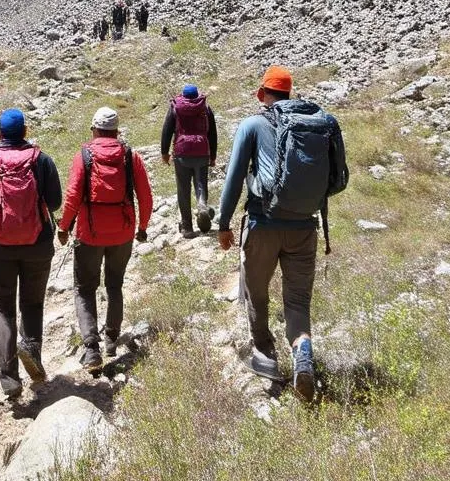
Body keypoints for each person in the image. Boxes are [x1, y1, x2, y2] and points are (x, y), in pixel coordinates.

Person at [216, 66, 348, 402]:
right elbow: (337, 181)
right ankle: (302, 348)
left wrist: (223, 224)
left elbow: (233, 179)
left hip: (263, 224)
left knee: (257, 290)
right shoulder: (316, 126)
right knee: (298, 300)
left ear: (263, 94)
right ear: (289, 94)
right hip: (305, 227)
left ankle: (265, 354)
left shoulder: (252, 124)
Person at [0, 108, 62, 398]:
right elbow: (55, 202)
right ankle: (31, 349)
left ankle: (9, 378)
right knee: (32, 304)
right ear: (26, 131)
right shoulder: (42, 161)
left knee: (3, 306)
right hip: (37, 245)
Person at [58, 106, 153, 373]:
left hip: (89, 233)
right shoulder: (130, 156)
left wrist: (64, 227)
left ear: (94, 129)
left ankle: (91, 350)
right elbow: (145, 197)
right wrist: (142, 226)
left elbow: (73, 195)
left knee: (85, 289)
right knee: (115, 284)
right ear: (116, 131)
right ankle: (111, 338)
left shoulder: (84, 155)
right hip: (123, 232)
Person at [160, 84, 218, 237]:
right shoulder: (205, 108)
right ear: (196, 95)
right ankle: (202, 206)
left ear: (184, 95)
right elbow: (212, 133)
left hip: (182, 153)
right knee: (201, 184)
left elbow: (167, 130)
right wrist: (213, 156)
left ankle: (187, 227)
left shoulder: (175, 107)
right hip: (202, 152)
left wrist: (164, 153)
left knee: (183, 189)